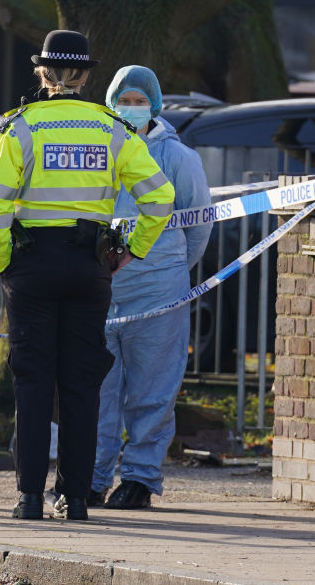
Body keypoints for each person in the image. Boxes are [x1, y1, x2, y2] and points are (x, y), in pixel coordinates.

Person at [0, 30, 175, 521]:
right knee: (82, 384)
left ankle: (27, 498)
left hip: (33, 266)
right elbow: (160, 199)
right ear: (87, 76)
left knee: (33, 381)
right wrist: (131, 250)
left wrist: (3, 262)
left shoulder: (22, 128)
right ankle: (78, 498)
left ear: (42, 75)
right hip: (91, 266)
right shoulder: (112, 129)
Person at [91, 66, 212, 510]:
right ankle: (92, 477)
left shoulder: (178, 158)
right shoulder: (97, 150)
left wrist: (170, 269)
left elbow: (197, 228)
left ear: (155, 106)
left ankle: (140, 478)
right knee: (97, 392)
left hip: (158, 293)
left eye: (141, 101)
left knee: (153, 390)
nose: (133, 108)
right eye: (125, 98)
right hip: (101, 292)